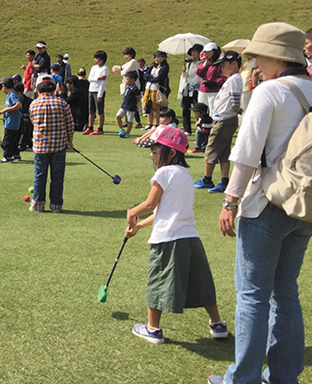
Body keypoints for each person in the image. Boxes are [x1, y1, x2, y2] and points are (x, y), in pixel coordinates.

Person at [207, 22, 312, 384]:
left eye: (258, 56)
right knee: (286, 294)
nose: (254, 63)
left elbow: (247, 154)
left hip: (266, 202)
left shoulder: (271, 92)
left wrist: (230, 200)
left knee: (252, 297)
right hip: (304, 205)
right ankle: (284, 377)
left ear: (276, 57)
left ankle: (243, 378)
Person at [126, 126, 228, 344]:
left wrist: (132, 213)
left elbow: (151, 204)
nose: (152, 157)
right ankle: (217, 324)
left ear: (171, 153)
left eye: (155, 152)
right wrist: (139, 226)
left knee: (157, 280)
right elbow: (161, 212)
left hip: (167, 240)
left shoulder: (163, 173)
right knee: (201, 281)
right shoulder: (185, 175)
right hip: (190, 238)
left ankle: (152, 328)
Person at [194, 51, 243, 193]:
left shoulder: (234, 79)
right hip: (225, 118)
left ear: (234, 64)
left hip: (224, 119)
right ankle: (224, 181)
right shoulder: (233, 79)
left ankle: (207, 179)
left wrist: (235, 109)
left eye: (223, 65)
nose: (221, 68)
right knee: (223, 152)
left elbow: (234, 99)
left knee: (212, 149)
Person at [29, 74, 74, 213]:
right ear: (55, 88)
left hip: (40, 146)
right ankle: (56, 205)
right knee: (57, 177)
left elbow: (33, 122)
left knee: (39, 176)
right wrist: (70, 141)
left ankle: (38, 204)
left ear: (37, 89)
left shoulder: (33, 104)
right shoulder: (62, 103)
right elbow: (70, 124)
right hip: (59, 146)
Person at [142, 51, 170, 130]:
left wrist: (151, 78)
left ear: (163, 58)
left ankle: (156, 124)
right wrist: (152, 76)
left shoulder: (164, 67)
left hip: (157, 89)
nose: (156, 59)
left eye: (158, 57)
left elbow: (159, 78)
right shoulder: (153, 66)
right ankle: (149, 123)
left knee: (156, 107)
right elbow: (145, 76)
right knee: (148, 105)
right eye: (156, 57)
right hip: (148, 88)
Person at [179, 43, 203, 135]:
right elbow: (186, 77)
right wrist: (184, 71)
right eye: (192, 52)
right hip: (188, 88)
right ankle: (187, 129)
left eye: (195, 52)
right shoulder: (189, 64)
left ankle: (200, 126)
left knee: (198, 109)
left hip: (197, 88)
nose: (193, 54)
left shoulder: (202, 63)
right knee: (185, 109)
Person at [196, 42, 226, 115]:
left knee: (213, 110)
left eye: (209, 52)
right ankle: (201, 125)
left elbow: (224, 77)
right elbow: (199, 73)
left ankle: (212, 125)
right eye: (205, 52)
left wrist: (215, 83)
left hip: (213, 90)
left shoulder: (220, 64)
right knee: (201, 110)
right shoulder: (205, 62)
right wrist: (204, 65)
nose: (207, 54)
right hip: (203, 89)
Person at [83, 50, 108, 135]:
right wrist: (98, 78)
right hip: (91, 89)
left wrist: (100, 95)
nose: (95, 60)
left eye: (97, 58)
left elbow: (103, 83)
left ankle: (100, 128)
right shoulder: (93, 68)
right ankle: (90, 127)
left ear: (101, 59)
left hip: (98, 91)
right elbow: (90, 78)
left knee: (100, 110)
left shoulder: (104, 68)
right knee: (91, 110)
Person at [0, 76, 22, 163]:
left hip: (11, 122)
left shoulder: (12, 95)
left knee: (7, 141)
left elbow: (18, 105)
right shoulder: (10, 95)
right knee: (13, 140)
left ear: (4, 86)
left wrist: (4, 110)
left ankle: (7, 156)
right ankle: (16, 154)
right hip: (12, 122)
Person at [116, 71, 141, 138]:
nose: (125, 81)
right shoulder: (127, 87)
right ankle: (121, 129)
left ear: (133, 80)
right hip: (124, 106)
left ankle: (127, 133)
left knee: (129, 121)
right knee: (118, 116)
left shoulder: (135, 89)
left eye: (127, 79)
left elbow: (138, 97)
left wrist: (134, 104)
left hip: (131, 107)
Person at [13, 82, 33, 152]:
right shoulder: (11, 100)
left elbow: (30, 114)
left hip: (25, 120)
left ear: (22, 92)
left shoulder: (29, 101)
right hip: (15, 120)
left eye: (17, 94)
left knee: (25, 123)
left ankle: (22, 143)